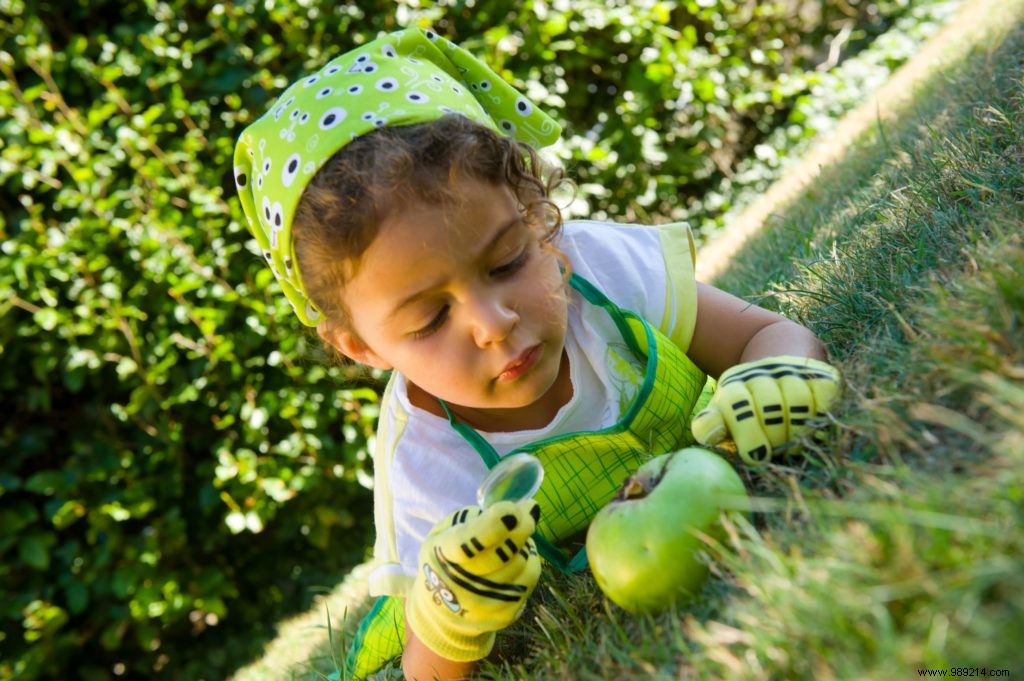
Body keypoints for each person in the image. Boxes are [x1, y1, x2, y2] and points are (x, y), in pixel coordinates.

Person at [233, 27, 841, 681]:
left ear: (534, 213)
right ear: (360, 346)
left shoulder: (599, 272)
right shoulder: (428, 460)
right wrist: (447, 612)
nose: (494, 323)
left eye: (507, 260)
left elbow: (764, 335)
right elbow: (428, 669)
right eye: (432, 317)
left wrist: (786, 371)